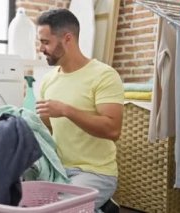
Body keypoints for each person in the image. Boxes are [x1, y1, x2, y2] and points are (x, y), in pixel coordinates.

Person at [35, 9, 124, 213]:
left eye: (46, 42)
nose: (41, 48)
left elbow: (112, 130)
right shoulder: (48, 80)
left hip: (96, 172)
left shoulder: (104, 75)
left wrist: (66, 110)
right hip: (58, 169)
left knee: (58, 210)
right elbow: (47, 130)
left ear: (68, 39)